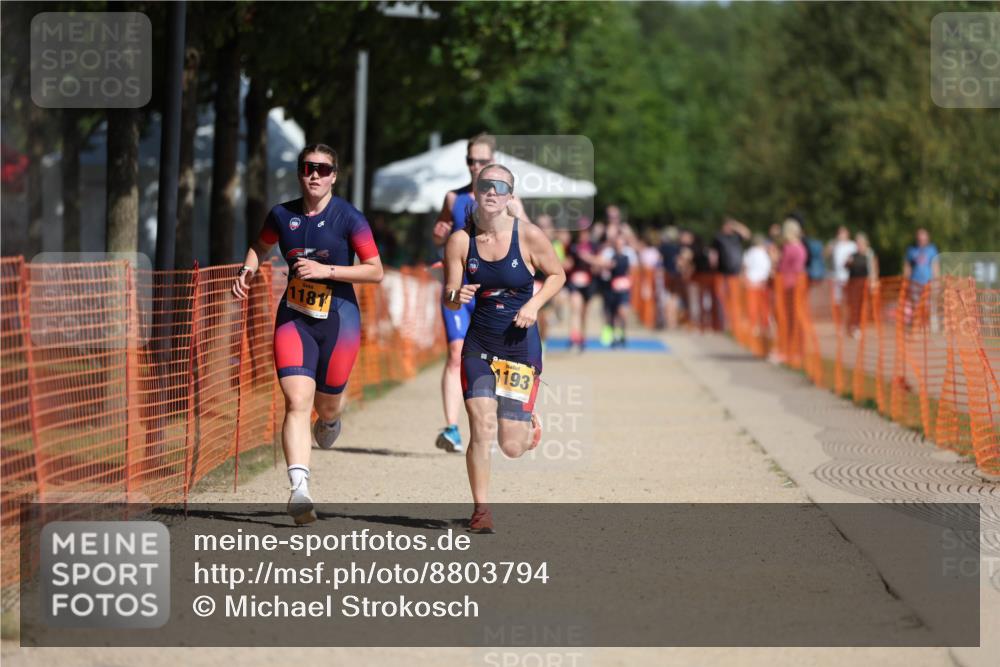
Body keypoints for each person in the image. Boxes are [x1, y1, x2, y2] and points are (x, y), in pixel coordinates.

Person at [233, 143, 383, 524]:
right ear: (300, 173)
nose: (314, 174)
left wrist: (327, 272)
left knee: (326, 405)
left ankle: (331, 419)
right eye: (307, 167)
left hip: (339, 320)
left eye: (322, 168)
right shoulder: (282, 215)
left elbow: (374, 270)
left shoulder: (349, 217)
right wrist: (248, 271)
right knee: (297, 401)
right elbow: (260, 245)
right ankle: (299, 489)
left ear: (334, 175)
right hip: (294, 318)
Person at [443, 164, 566, 533]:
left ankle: (528, 425)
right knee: (480, 427)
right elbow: (449, 297)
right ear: (476, 193)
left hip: (519, 349)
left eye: (500, 187)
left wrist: (533, 304)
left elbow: (557, 275)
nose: (492, 192)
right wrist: (455, 294)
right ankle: (481, 510)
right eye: (485, 186)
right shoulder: (460, 241)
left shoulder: (528, 236)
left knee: (512, 446)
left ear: (510, 196)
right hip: (479, 345)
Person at [430, 133, 530, 454]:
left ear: (493, 161)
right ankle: (452, 428)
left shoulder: (510, 202)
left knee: (500, 360)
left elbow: (530, 240)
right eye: (471, 161)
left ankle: (512, 417)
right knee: (455, 352)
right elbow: (441, 237)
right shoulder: (453, 198)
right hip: (460, 292)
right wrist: (439, 234)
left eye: (482, 161)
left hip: (496, 298)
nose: (476, 167)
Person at [772, 217, 807, 364]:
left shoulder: (792, 248)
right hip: (792, 285)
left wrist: (774, 259)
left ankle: (789, 351)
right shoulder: (797, 247)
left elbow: (783, 267)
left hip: (789, 286)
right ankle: (791, 350)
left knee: (789, 319)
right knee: (791, 319)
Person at [565, 225, 598, 351]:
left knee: (584, 312)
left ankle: (583, 337)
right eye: (581, 233)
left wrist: (588, 258)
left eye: (585, 233)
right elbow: (568, 262)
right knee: (575, 309)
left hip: (589, 284)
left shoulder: (594, 247)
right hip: (574, 283)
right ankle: (574, 337)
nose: (583, 235)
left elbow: (599, 262)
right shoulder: (572, 247)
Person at [742, 233, 773, 353]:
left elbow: (745, 266)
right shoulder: (756, 253)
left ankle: (758, 325)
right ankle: (759, 325)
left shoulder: (755, 253)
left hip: (756, 283)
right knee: (758, 306)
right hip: (758, 283)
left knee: (757, 306)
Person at [902, 228, 939, 326]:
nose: (921, 241)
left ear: (927, 239)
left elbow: (935, 266)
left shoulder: (932, 249)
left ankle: (931, 324)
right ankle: (916, 324)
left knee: (930, 304)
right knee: (916, 304)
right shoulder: (911, 250)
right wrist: (906, 280)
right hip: (915, 282)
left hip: (928, 282)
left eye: (923, 239)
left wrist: (936, 280)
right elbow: (907, 266)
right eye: (920, 239)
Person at [845, 232, 879, 338]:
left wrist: (873, 281)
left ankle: (859, 326)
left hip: (865, 283)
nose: (859, 245)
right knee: (854, 306)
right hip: (853, 284)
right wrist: (848, 263)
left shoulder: (869, 255)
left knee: (863, 306)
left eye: (861, 243)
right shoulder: (853, 255)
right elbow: (846, 265)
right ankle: (853, 327)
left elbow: (874, 269)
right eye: (857, 243)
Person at [827, 225, 857, 306]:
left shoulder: (852, 245)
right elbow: (826, 255)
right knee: (837, 300)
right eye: (839, 233)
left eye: (842, 232)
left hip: (849, 276)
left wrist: (849, 262)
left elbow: (855, 260)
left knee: (849, 298)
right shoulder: (835, 244)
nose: (840, 234)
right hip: (836, 277)